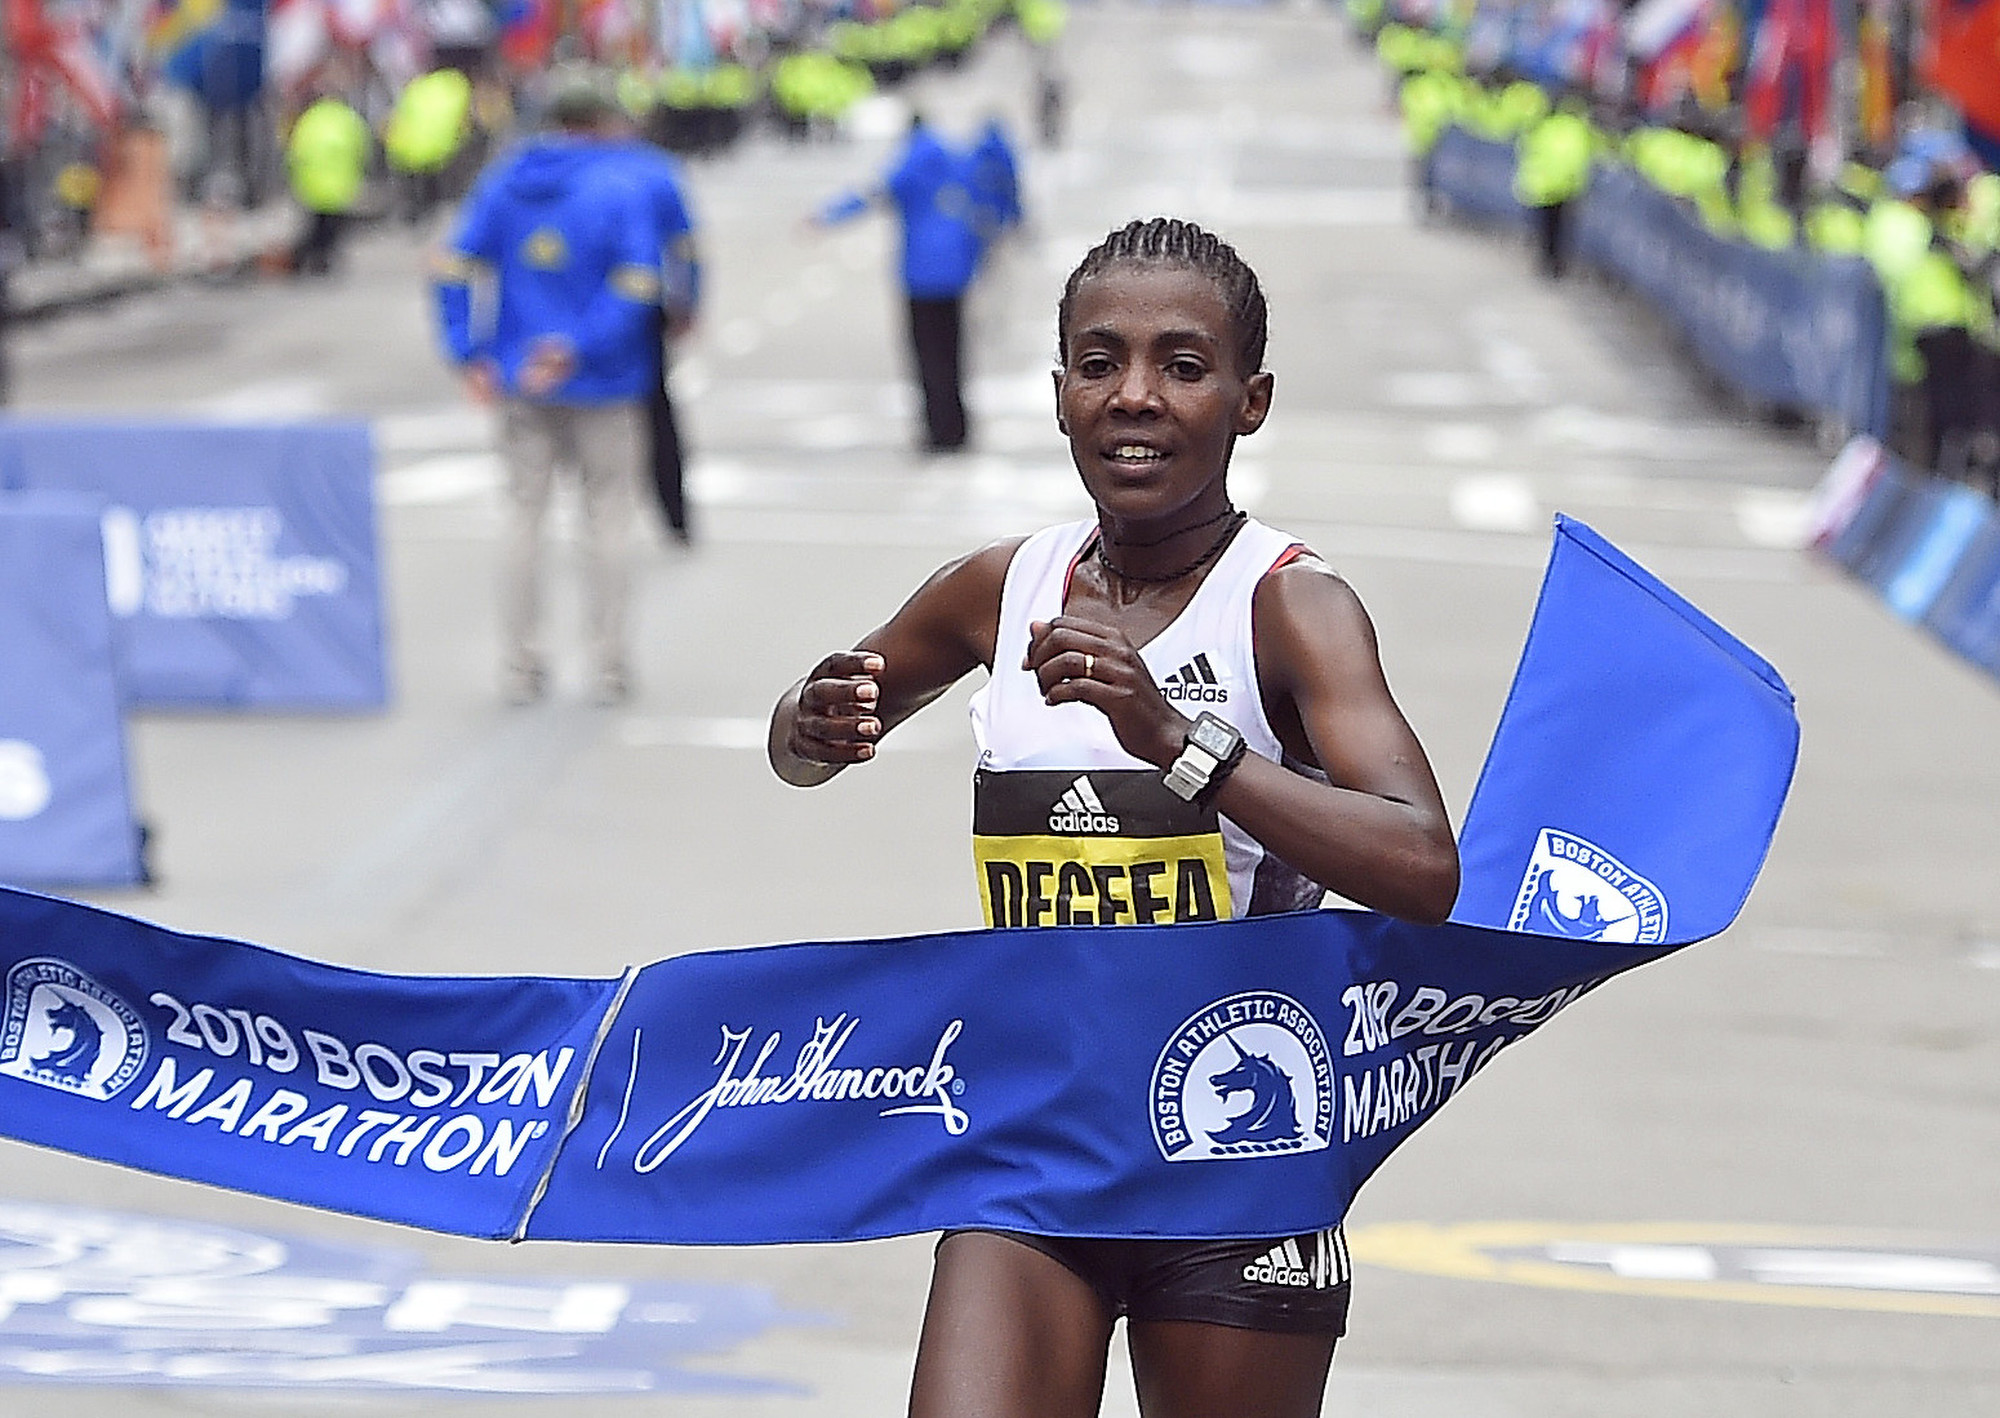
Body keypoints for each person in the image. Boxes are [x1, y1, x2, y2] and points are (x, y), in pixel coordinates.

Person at [767, 217, 1459, 1418]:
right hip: (1036, 1133)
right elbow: (801, 742)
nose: (1134, 395)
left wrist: (1179, 744)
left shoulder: (1290, 607)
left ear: (1249, 402)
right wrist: (808, 721)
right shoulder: (1000, 587)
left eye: (1181, 366)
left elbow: (1420, 861)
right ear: (1059, 395)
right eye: (1099, 363)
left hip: (1233, 1147)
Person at [431, 69, 662, 707]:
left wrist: (468, 351)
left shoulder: (503, 183)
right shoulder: (620, 185)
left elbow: (451, 267)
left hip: (519, 380)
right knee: (609, 519)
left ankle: (520, 665)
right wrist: (578, 347)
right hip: (605, 382)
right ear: (601, 123)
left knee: (522, 519)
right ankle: (609, 664)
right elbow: (640, 283)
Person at [813, 113, 983, 455]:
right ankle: (958, 427)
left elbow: (872, 194)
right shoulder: (956, 161)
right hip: (954, 272)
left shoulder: (910, 163)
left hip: (920, 275)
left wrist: (826, 216)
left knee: (927, 356)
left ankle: (936, 430)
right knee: (953, 353)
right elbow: (982, 200)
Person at [603, 123, 702, 545]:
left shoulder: (542, 171)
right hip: (640, 309)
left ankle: (608, 523)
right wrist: (688, 299)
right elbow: (684, 246)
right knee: (656, 414)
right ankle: (673, 515)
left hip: (568, 320)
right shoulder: (654, 171)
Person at [285, 85, 372, 277]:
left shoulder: (310, 119)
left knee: (315, 225)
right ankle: (323, 258)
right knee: (333, 227)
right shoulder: (348, 119)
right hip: (340, 184)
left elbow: (295, 151)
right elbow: (362, 148)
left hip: (312, 183)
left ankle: (310, 259)